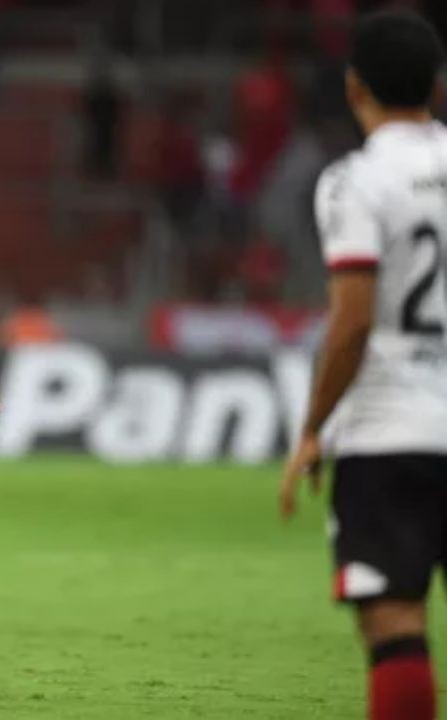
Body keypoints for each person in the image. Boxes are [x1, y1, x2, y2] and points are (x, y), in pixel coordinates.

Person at [280, 11, 447, 720]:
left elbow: (352, 322)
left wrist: (315, 425)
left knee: (393, 624)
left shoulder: (355, 181)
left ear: (354, 89)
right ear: (436, 87)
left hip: (392, 429)